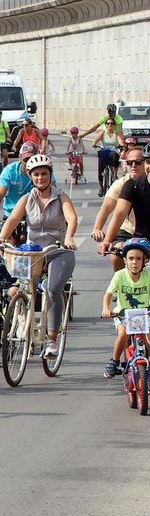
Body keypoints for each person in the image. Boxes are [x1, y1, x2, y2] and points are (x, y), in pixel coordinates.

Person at [0, 153, 78, 358]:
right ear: (30, 176)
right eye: (36, 174)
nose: (40, 178)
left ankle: (51, 339)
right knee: (24, 289)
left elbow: (71, 217)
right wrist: (1, 238)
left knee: (53, 289)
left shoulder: (61, 196)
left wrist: (69, 236)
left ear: (50, 175)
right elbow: (13, 219)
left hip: (58, 250)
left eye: (44, 173)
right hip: (33, 252)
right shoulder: (27, 198)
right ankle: (24, 325)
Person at [101, 238, 150, 378]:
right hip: (122, 313)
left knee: (148, 337)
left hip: (143, 313)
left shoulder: (148, 276)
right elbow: (108, 294)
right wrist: (106, 308)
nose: (134, 262)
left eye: (139, 259)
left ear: (145, 261)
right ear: (125, 260)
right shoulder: (120, 275)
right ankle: (114, 361)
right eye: (131, 258)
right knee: (123, 334)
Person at [93, 147, 146, 273]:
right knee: (116, 254)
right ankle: (121, 281)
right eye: (129, 163)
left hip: (146, 230)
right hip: (127, 230)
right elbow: (109, 210)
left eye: (138, 162)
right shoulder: (122, 184)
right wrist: (98, 229)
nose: (133, 166)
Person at [0, 142, 38, 235]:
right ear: (20, 158)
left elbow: (53, 195)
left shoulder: (43, 171)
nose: (29, 163)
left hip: (35, 216)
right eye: (26, 159)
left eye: (32, 159)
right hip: (11, 215)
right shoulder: (9, 171)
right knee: (2, 240)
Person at [86, 103, 126, 192]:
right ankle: (101, 188)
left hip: (113, 150)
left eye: (112, 124)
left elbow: (120, 138)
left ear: (114, 125)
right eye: (108, 124)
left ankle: (114, 175)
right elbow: (97, 138)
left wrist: (122, 145)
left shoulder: (117, 130)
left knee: (115, 155)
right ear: (105, 125)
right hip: (104, 150)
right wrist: (94, 144)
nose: (109, 125)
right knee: (100, 168)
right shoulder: (103, 132)